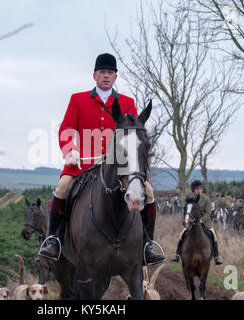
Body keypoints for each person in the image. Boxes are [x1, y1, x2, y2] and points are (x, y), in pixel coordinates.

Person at [39, 53, 165, 265]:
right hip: (83, 163)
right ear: (94, 76)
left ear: (115, 77)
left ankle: (146, 245)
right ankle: (54, 240)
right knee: (62, 188)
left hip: (120, 166)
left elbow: (135, 132)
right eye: (102, 72)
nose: (106, 76)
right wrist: (70, 149)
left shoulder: (127, 102)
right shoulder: (77, 99)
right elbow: (66, 129)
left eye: (110, 73)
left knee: (148, 193)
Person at [170, 180, 223, 265]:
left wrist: (201, 220)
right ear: (193, 190)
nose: (199, 190)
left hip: (205, 223)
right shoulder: (190, 199)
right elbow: (187, 210)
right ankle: (177, 254)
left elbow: (208, 212)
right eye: (197, 189)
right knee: (182, 234)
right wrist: (187, 220)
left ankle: (216, 256)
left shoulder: (206, 199)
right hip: (192, 223)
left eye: (200, 188)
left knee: (214, 235)